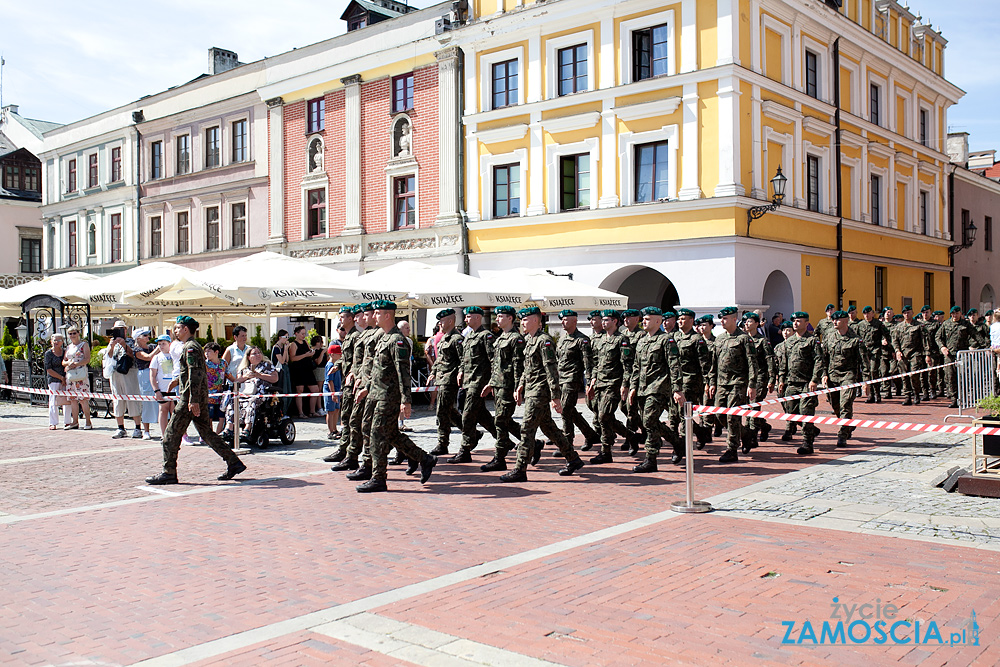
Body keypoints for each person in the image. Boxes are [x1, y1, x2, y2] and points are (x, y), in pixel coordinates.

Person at [145, 315, 246, 485]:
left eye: (177, 328)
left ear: (185, 329)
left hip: (189, 400)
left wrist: (193, 401)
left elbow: (196, 374)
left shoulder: (190, 347)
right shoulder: (190, 347)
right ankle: (234, 462)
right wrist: (177, 381)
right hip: (195, 397)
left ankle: (168, 472)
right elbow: (192, 372)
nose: (175, 331)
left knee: (170, 435)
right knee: (207, 434)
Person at [352, 300, 437, 493]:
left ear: (388, 315)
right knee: (389, 434)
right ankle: (425, 458)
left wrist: (405, 400)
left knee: (377, 435)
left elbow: (403, 373)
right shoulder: (383, 338)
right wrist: (367, 388)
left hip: (388, 397)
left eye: (377, 313)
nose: (374, 316)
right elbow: (377, 370)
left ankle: (378, 478)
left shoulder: (396, 341)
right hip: (375, 393)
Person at [498, 306, 585, 483]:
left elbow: (551, 370)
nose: (522, 322)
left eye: (525, 319)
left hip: (540, 392)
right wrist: (520, 386)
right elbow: (527, 368)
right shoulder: (529, 341)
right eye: (521, 319)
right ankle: (573, 459)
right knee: (549, 428)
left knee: (527, 429)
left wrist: (555, 397)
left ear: (536, 321)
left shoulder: (544, 341)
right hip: (531, 389)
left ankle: (520, 469)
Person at [630, 307, 684, 472]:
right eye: (643, 319)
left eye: (647, 319)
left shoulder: (666, 340)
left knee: (649, 420)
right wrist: (632, 387)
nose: (643, 321)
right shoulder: (642, 341)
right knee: (649, 423)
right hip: (642, 389)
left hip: (659, 387)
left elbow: (674, 366)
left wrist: (677, 389)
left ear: (657, 321)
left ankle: (651, 459)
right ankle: (677, 442)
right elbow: (636, 367)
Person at [708, 306, 759, 463]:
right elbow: (714, 363)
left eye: (725, 318)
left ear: (734, 319)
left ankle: (732, 449)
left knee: (732, 416)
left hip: (738, 382)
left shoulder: (744, 338)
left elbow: (752, 363)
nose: (722, 321)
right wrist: (711, 382)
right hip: (722, 383)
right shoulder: (719, 338)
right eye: (721, 319)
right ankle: (745, 434)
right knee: (719, 414)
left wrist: (752, 385)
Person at [586, 310, 636, 464]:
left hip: (613, 384)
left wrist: (625, 385)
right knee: (605, 418)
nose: (603, 322)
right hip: (600, 383)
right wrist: (593, 379)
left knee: (603, 416)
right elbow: (595, 362)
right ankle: (630, 437)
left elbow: (628, 365)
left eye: (607, 320)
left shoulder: (622, 340)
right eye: (603, 320)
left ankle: (606, 450)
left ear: (615, 321)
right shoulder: (599, 340)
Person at [480, 305, 525, 471]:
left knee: (500, 421)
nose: (497, 319)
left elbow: (519, 366)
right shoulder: (500, 339)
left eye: (500, 316)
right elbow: (495, 365)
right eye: (496, 316)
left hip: (508, 386)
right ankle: (532, 444)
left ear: (510, 318)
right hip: (498, 386)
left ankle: (500, 458)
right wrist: (491, 383)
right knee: (503, 420)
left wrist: (518, 388)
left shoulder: (516, 339)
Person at [450, 306, 497, 463]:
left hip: (480, 382)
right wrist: (461, 371)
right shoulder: (469, 336)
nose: (465, 319)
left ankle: (465, 450)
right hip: (469, 381)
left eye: (468, 316)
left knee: (468, 415)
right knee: (482, 416)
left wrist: (491, 383)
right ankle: (506, 440)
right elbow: (464, 358)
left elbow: (494, 361)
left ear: (478, 318)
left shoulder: (486, 336)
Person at [776, 312, 824, 454]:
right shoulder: (789, 342)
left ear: (806, 323)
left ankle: (807, 443)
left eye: (798, 321)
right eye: (794, 321)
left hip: (806, 383)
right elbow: (784, 362)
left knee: (806, 412)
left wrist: (815, 379)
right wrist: (781, 379)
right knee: (790, 412)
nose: (795, 323)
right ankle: (812, 430)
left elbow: (818, 361)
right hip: (791, 383)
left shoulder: (812, 341)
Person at [822, 310, 870, 448]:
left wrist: (866, 382)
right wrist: (824, 374)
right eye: (833, 320)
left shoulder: (855, 340)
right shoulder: (829, 336)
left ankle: (842, 434)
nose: (834, 322)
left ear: (845, 321)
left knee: (845, 405)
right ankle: (848, 425)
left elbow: (864, 363)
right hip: (832, 376)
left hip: (848, 376)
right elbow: (824, 358)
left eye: (837, 320)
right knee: (835, 405)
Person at [556, 309, 600, 451]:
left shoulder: (582, 340)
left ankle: (567, 442)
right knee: (568, 409)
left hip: (572, 379)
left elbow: (588, 364)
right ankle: (590, 434)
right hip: (561, 379)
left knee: (566, 409)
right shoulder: (562, 340)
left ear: (574, 321)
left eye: (566, 319)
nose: (563, 322)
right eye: (562, 320)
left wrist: (589, 382)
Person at [669, 308, 713, 447]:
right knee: (675, 414)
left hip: (691, 381)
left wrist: (708, 381)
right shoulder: (673, 337)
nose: (680, 321)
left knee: (684, 414)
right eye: (679, 319)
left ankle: (683, 445)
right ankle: (700, 432)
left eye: (683, 319)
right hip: (675, 381)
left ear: (691, 320)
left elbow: (704, 363)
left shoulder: (697, 339)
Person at [428, 308, 464, 457]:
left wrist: (461, 372)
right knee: (447, 411)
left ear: (450, 321)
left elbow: (463, 358)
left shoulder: (457, 339)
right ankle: (471, 432)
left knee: (442, 410)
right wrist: (433, 372)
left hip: (451, 379)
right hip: (442, 378)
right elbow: (440, 360)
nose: (439, 324)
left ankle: (443, 443)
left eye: (442, 321)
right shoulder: (444, 338)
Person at [325, 307, 359, 463]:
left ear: (350, 319)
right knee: (346, 419)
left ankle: (347, 453)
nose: (340, 320)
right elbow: (346, 357)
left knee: (352, 421)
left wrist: (352, 371)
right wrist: (338, 364)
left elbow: (359, 360)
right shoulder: (349, 337)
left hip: (354, 383)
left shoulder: (356, 336)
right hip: (347, 383)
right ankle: (344, 451)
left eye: (342, 317)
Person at [223, 346, 278, 440]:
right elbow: (237, 381)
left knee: (252, 401)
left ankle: (247, 428)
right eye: (254, 353)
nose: (258, 355)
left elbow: (275, 378)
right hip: (245, 394)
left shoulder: (267, 365)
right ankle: (229, 427)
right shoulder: (244, 368)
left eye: (259, 353)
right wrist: (246, 377)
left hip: (260, 393)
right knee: (232, 401)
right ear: (248, 357)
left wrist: (259, 375)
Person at [937, 305, 986, 408]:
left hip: (962, 355)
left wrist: (985, 346)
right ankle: (954, 399)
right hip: (950, 355)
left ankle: (962, 398)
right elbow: (938, 337)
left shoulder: (966, 324)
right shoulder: (946, 324)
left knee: (962, 376)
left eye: (957, 313)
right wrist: (942, 347)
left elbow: (976, 335)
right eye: (953, 314)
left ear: (960, 313)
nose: (955, 315)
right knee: (950, 377)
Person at [741, 313, 776, 451]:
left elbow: (770, 360)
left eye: (750, 321)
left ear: (757, 323)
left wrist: (772, 378)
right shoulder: (742, 339)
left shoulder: (763, 341)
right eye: (745, 322)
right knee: (748, 406)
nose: (747, 324)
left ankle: (751, 436)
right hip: (746, 377)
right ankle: (764, 426)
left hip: (760, 377)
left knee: (753, 405)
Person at [107, 320, 143, 440]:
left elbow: (134, 355)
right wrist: (112, 346)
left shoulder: (131, 342)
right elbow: (108, 357)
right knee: (117, 399)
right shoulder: (111, 342)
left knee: (132, 398)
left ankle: (137, 427)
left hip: (129, 372)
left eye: (121, 329)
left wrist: (124, 345)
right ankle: (120, 427)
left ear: (125, 330)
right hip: (116, 373)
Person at [892, 305, 932, 406]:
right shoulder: (899, 327)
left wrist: (927, 354)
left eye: (908, 312)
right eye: (905, 313)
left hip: (916, 353)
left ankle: (916, 394)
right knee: (904, 376)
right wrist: (897, 351)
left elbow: (925, 341)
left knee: (914, 374)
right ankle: (907, 396)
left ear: (912, 313)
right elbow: (895, 340)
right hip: (903, 354)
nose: (907, 314)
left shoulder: (919, 326)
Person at [62, 326, 93, 430]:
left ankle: (88, 421)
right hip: (70, 375)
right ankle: (74, 421)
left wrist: (77, 363)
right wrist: (68, 363)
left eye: (74, 333)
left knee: (83, 399)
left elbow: (87, 359)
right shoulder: (69, 347)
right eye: (70, 333)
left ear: (78, 333)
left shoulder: (84, 345)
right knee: (73, 399)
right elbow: (63, 361)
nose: (72, 335)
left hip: (80, 374)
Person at [130, 328, 157, 440]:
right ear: (138, 338)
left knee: (161, 401)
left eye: (147, 335)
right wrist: (158, 349)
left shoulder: (151, 347)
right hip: (145, 374)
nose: (147, 337)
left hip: (156, 373)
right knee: (147, 401)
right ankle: (146, 430)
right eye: (144, 335)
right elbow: (147, 357)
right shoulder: (136, 349)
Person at [150, 334, 178, 439]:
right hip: (162, 388)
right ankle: (164, 434)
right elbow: (152, 375)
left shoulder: (174, 356)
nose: (161, 346)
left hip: (174, 388)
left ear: (169, 344)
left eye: (164, 344)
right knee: (163, 410)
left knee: (174, 411)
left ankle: (175, 434)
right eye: (159, 344)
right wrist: (156, 390)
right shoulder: (156, 357)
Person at [289, 325, 320, 418]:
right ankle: (300, 412)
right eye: (302, 333)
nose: (303, 335)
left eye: (304, 333)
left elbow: (308, 354)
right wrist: (305, 355)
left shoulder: (305, 342)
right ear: (296, 334)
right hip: (298, 369)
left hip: (307, 368)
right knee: (300, 390)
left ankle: (312, 411)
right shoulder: (293, 344)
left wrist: (311, 353)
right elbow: (292, 358)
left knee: (315, 389)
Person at [45, 333, 72, 430]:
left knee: (67, 400)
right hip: (54, 379)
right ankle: (53, 422)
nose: (56, 342)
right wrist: (61, 378)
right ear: (51, 341)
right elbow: (49, 369)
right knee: (53, 401)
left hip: (65, 379)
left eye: (58, 340)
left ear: (62, 342)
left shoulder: (65, 352)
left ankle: (68, 422)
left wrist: (64, 378)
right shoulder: (49, 354)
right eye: (54, 340)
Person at [204, 342, 227, 434]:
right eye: (205, 352)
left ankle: (218, 434)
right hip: (208, 395)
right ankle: (208, 434)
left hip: (220, 394)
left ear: (216, 352)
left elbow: (228, 375)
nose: (206, 354)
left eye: (209, 351)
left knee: (222, 415)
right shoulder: (204, 364)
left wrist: (237, 381)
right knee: (209, 416)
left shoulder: (223, 363)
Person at [396, 320, 414, 434]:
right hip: (397, 375)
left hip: (407, 372)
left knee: (404, 398)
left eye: (409, 327)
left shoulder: (409, 341)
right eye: (406, 328)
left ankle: (401, 422)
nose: (409, 330)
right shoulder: (397, 340)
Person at [324, 341, 343, 439]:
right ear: (332, 354)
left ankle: (335, 429)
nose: (340, 355)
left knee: (336, 410)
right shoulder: (330, 365)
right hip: (330, 390)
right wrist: (332, 393)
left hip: (336, 389)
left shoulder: (336, 365)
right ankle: (330, 431)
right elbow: (329, 381)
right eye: (338, 354)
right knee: (330, 411)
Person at [270, 329, 291, 411]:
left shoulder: (283, 347)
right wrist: (285, 350)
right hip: (279, 371)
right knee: (283, 390)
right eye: (285, 337)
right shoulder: (276, 348)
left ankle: (286, 410)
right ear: (280, 337)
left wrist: (286, 350)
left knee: (288, 391)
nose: (287, 339)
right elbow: (281, 361)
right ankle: (282, 411)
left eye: (288, 337)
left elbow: (287, 360)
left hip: (285, 368)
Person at [311, 334, 329, 416]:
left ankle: (320, 407)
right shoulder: (314, 351)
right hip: (319, 370)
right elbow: (318, 362)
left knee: (321, 389)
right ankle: (319, 408)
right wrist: (322, 353)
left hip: (324, 369)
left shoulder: (322, 350)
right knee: (319, 389)